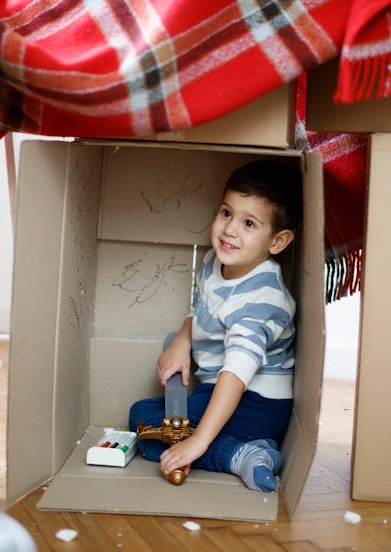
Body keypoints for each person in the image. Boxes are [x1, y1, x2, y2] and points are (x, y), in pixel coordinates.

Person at [129, 159, 302, 492]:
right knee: (149, 413)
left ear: (277, 242)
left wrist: (197, 443)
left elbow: (236, 375)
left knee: (145, 426)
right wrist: (182, 340)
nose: (230, 230)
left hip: (255, 401)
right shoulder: (215, 261)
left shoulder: (261, 300)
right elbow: (203, 308)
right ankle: (243, 445)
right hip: (218, 389)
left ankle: (236, 453)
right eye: (226, 213)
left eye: (249, 223)